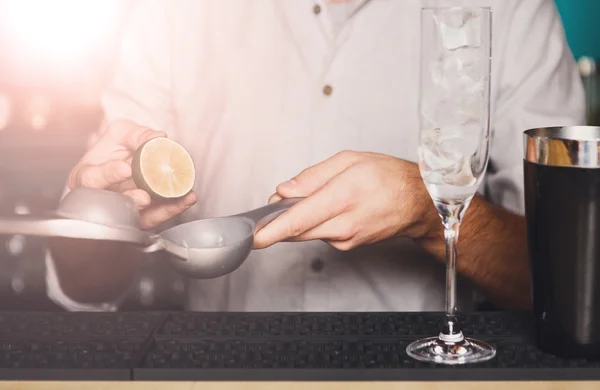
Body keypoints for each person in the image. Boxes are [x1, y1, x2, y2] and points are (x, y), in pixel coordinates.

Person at [46, 0, 585, 312]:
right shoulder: (175, 14)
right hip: (221, 372)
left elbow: (576, 284)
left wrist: (426, 210)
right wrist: (94, 222)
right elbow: (91, 279)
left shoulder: (511, 11)